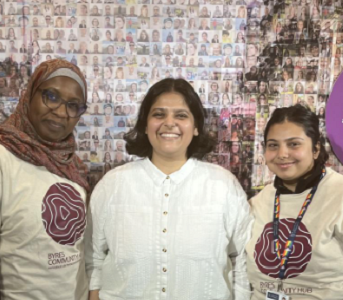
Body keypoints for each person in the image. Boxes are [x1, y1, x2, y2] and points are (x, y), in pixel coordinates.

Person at [87, 78, 252, 299]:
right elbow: (94, 259)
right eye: (158, 114)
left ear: (195, 128)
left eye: (181, 115)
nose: (169, 123)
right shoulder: (113, 185)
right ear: (145, 125)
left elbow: (241, 259)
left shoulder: (223, 186)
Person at [0, 59, 91, 300]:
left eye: (73, 105)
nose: (60, 111)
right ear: (30, 95)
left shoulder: (72, 167)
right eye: (52, 96)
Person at [246, 104, 343, 299]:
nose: (282, 154)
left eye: (294, 144)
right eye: (273, 145)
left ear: (315, 149)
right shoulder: (258, 202)